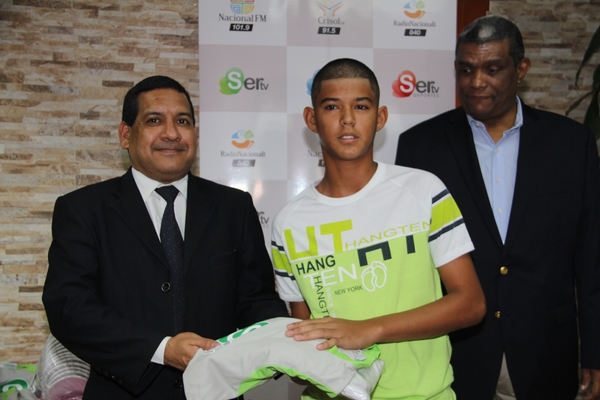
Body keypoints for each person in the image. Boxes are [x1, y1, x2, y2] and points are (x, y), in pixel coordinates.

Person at [42, 75, 288, 399]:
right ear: (125, 134)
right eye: (154, 120)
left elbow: (256, 299)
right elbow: (70, 308)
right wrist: (162, 349)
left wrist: (284, 342)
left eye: (182, 121)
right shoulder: (83, 209)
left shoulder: (234, 207)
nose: (171, 133)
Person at [395, 15, 600, 400]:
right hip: (457, 356)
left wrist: (596, 351)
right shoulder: (420, 147)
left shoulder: (572, 144)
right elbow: (411, 263)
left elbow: (592, 260)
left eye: (492, 69)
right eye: (466, 69)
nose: (476, 82)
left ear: (521, 69)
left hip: (547, 353)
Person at [271, 58, 486, 399]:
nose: (347, 119)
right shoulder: (288, 223)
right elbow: (305, 340)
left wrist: (369, 330)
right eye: (331, 106)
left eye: (361, 106)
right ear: (311, 119)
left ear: (380, 117)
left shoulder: (424, 190)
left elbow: (471, 304)